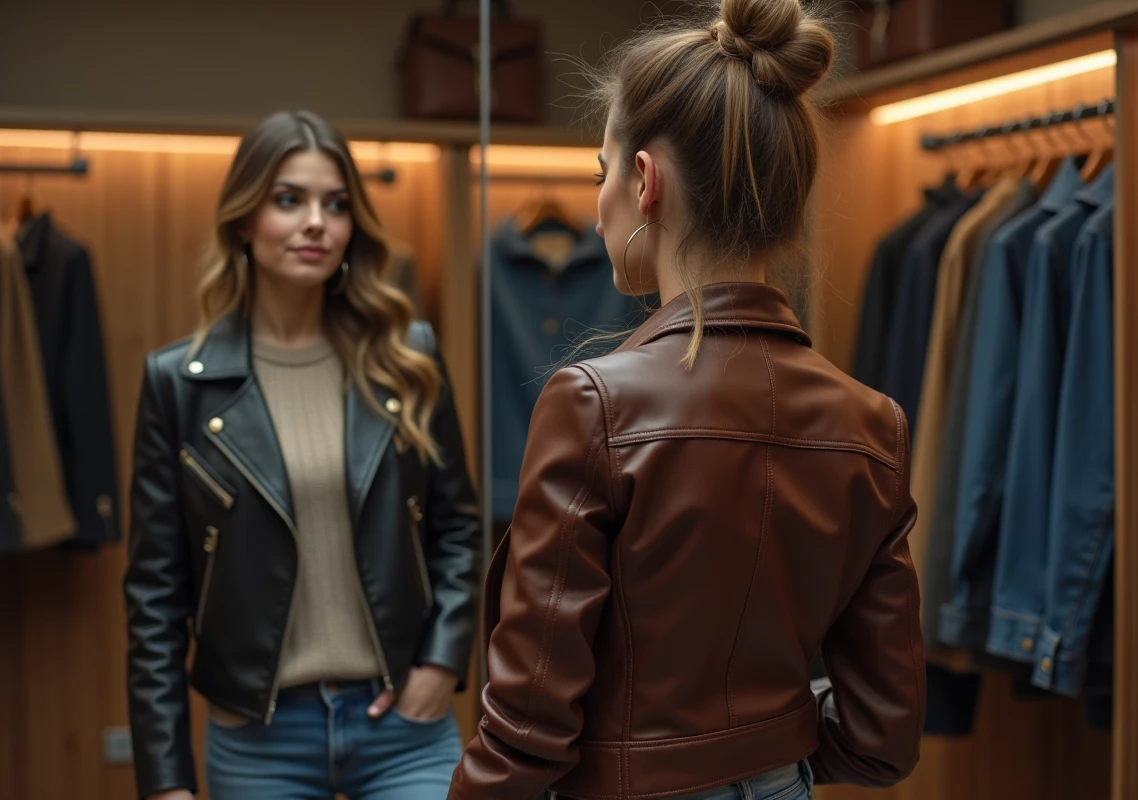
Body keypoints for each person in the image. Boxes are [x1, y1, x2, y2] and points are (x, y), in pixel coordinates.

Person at [448, 0, 926, 798]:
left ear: (644, 181)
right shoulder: (872, 424)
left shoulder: (595, 404)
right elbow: (885, 733)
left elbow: (529, 727)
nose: (596, 209)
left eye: (600, 173)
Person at [124, 111, 482, 800]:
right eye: (289, 200)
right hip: (260, 739)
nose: (316, 222)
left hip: (402, 725)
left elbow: (458, 529)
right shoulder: (179, 385)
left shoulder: (407, 358)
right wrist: (165, 780)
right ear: (243, 221)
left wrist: (442, 663)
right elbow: (154, 596)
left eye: (336, 205)